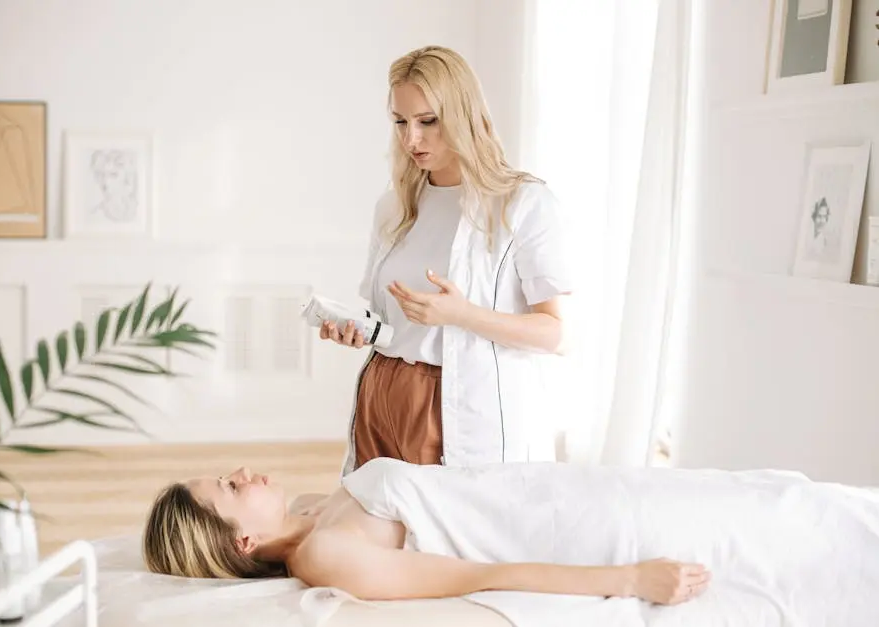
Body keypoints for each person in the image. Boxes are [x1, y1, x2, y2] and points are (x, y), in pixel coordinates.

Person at [141, 455, 879, 620]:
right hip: (589, 530)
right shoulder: (324, 554)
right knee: (790, 537)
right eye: (228, 489)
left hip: (571, 488)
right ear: (242, 542)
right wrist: (627, 578)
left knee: (777, 496)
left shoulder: (311, 508)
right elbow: (477, 575)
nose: (240, 472)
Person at [320, 44, 573, 477]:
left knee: (448, 535)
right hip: (383, 391)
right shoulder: (395, 206)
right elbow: (388, 317)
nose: (410, 139)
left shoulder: (524, 203)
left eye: (427, 121)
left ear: (462, 114)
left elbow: (555, 334)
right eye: (400, 122)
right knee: (375, 533)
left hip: (453, 404)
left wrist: (462, 315)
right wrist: (358, 329)